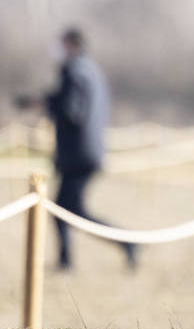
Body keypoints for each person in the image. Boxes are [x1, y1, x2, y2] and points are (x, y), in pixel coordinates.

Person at [34, 28, 137, 270]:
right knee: (68, 209)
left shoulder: (73, 70)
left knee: (67, 210)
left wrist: (47, 103)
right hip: (89, 151)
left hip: (77, 155)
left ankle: (125, 243)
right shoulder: (92, 71)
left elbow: (71, 111)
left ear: (71, 44)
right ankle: (69, 260)